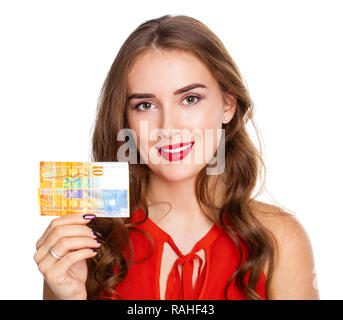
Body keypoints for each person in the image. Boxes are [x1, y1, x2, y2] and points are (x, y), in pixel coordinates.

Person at [34, 14, 319, 300]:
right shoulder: (85, 243)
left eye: (190, 99)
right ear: (126, 121)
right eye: (145, 105)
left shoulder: (280, 238)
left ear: (228, 106)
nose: (168, 128)